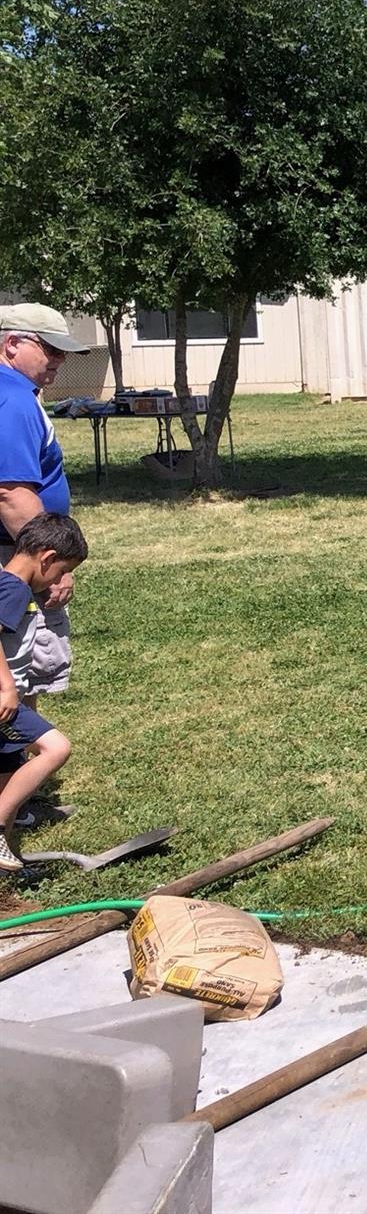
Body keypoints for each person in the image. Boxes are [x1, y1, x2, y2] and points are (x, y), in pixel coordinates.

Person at [0, 305, 90, 715]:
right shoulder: (12, 400)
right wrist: (49, 569)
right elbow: (11, 494)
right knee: (15, 674)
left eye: (63, 353)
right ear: (12, 343)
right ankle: (14, 773)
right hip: (15, 556)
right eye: (50, 349)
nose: (59, 361)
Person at [1, 513, 88, 871]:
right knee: (56, 747)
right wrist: (7, 688)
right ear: (47, 558)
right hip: (3, 700)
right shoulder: (14, 587)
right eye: (61, 570)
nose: (58, 581)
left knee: (8, 771)